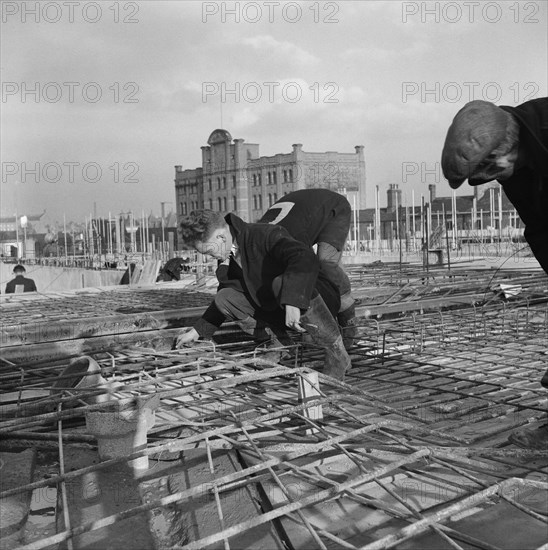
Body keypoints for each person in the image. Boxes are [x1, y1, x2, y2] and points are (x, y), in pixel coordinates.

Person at [441, 97, 548, 449]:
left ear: (502, 154)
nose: (495, 181)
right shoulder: (513, 156)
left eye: (493, 174)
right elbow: (541, 226)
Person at [175, 210, 352, 380]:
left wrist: (294, 301)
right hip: (279, 308)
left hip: (315, 298)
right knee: (225, 297)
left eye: (208, 251)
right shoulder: (227, 258)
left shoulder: (263, 235)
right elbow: (224, 300)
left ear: (221, 236)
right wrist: (198, 330)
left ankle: (337, 354)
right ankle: (280, 343)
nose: (210, 257)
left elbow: (303, 257)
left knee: (280, 282)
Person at [258, 189, 358, 348]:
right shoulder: (258, 239)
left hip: (334, 209)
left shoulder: (286, 237)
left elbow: (307, 267)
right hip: (305, 212)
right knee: (294, 278)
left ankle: (348, 316)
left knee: (326, 264)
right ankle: (316, 326)